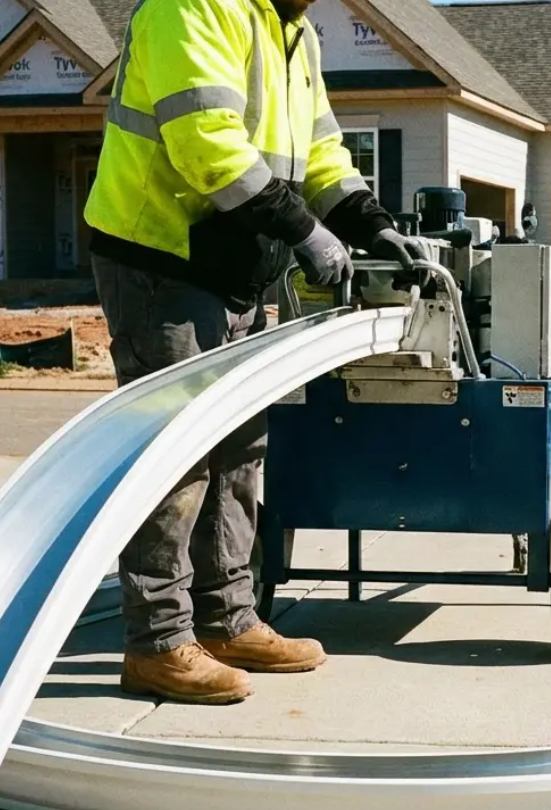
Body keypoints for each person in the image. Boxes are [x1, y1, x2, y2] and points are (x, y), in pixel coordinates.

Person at [83, 0, 425, 705]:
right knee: (175, 459)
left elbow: (324, 152)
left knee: (239, 450)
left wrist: (371, 227)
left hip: (235, 265)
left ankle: (228, 621)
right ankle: (158, 643)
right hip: (163, 260)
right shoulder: (194, 6)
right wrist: (306, 234)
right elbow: (206, 144)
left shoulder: (293, 32)